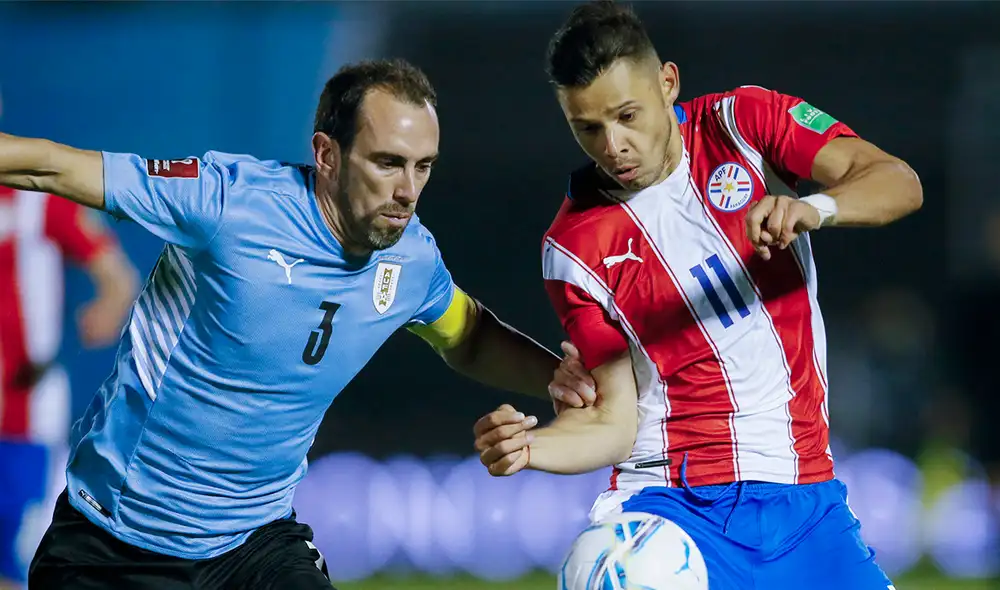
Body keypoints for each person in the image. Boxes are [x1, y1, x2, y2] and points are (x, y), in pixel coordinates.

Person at [0, 59, 586, 590]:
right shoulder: (229, 203)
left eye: (423, 166)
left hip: (254, 546)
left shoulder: (412, 259)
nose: (409, 191)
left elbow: (469, 335)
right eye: (387, 163)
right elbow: (53, 169)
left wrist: (558, 379)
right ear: (327, 154)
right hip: (116, 544)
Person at [473, 2, 922, 589]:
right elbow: (614, 421)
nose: (613, 146)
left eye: (627, 115)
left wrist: (816, 207)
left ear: (668, 83)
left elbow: (897, 182)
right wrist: (528, 446)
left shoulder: (742, 124)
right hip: (670, 511)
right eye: (588, 127)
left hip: (805, 503)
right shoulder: (575, 246)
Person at [0, 91, 138, 588]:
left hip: (22, 408)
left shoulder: (35, 197)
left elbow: (116, 274)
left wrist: (109, 304)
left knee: (13, 559)